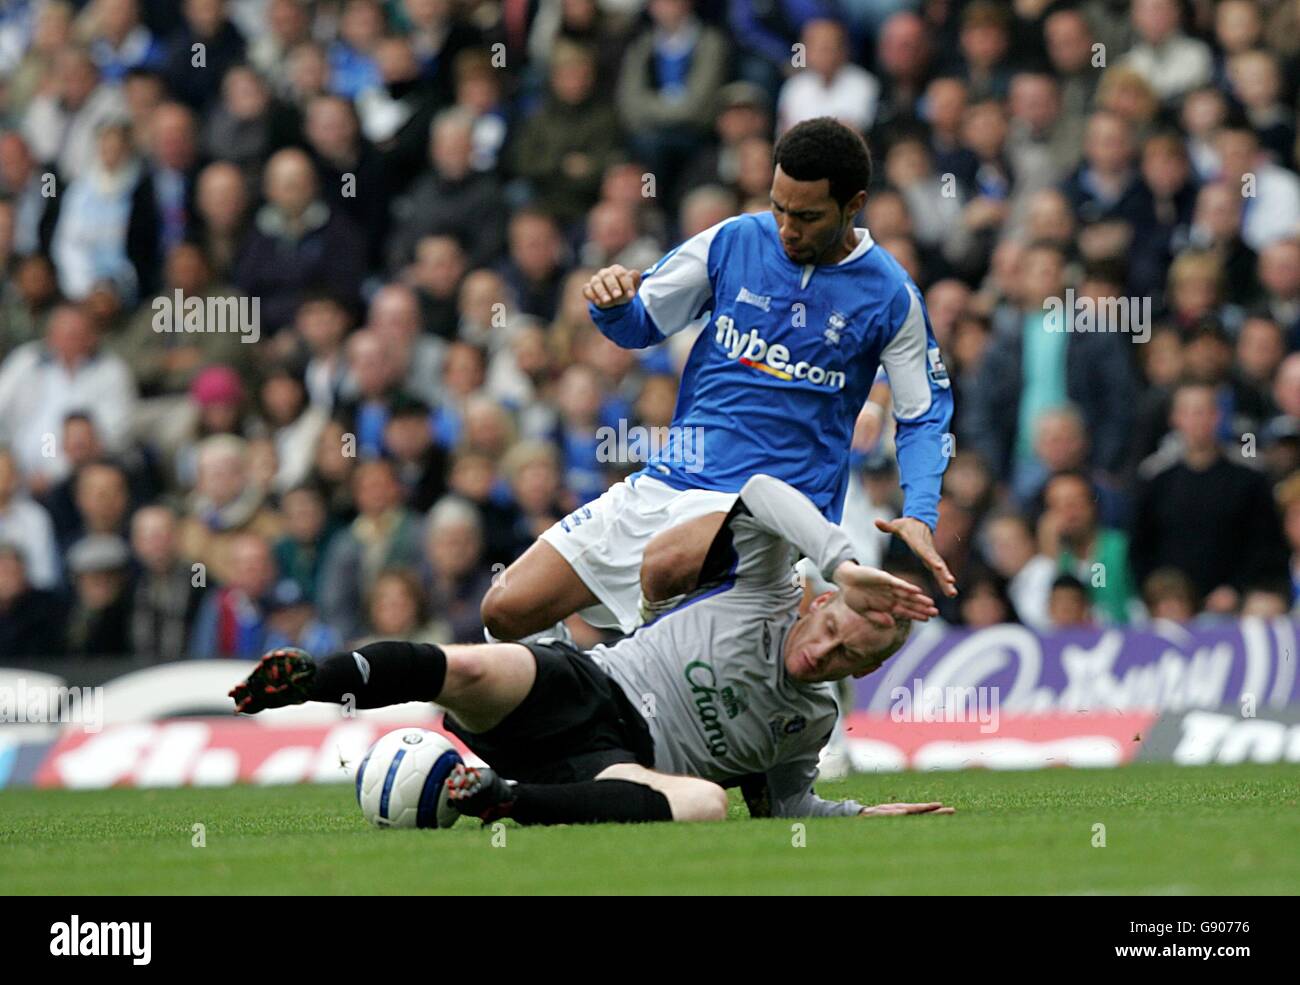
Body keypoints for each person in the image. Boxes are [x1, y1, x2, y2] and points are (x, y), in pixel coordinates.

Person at [231, 473, 952, 824]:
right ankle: (313, 677)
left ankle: (504, 800)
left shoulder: (814, 720)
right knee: (478, 661)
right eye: (829, 631)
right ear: (823, 599)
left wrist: (859, 817)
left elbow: (786, 804)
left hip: (616, 769)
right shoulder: (765, 586)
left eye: (844, 659)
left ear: (866, 669)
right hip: (588, 684)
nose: (823, 655)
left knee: (703, 805)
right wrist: (842, 555)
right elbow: (763, 491)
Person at [481, 117, 956, 645]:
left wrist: (919, 510)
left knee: (663, 567)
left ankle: (629, 687)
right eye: (778, 207)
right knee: (506, 610)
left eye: (806, 216)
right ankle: (569, 698)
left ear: (853, 205)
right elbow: (643, 322)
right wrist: (613, 305)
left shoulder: (889, 294)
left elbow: (922, 413)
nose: (787, 229)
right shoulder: (735, 240)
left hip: (766, 508)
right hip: (670, 478)